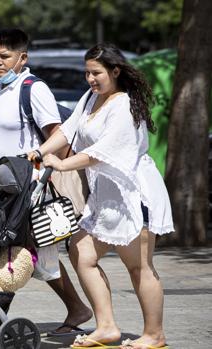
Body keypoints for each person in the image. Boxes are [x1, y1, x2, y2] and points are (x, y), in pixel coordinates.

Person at [28, 43, 174, 349]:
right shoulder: (92, 97)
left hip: (134, 194)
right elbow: (67, 131)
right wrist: (41, 151)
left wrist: (63, 164)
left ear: (115, 71)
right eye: (87, 73)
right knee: (82, 251)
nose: (90, 79)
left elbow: (103, 152)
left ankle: (154, 335)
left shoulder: (123, 104)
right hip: (105, 197)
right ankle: (106, 327)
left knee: (139, 267)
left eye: (96, 73)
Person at [0, 28, 93, 336]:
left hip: (29, 189)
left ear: (23, 58)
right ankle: (75, 308)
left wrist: (41, 161)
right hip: (4, 189)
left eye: (4, 56)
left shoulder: (33, 88)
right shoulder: (0, 91)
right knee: (24, 251)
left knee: (19, 250)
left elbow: (59, 135)